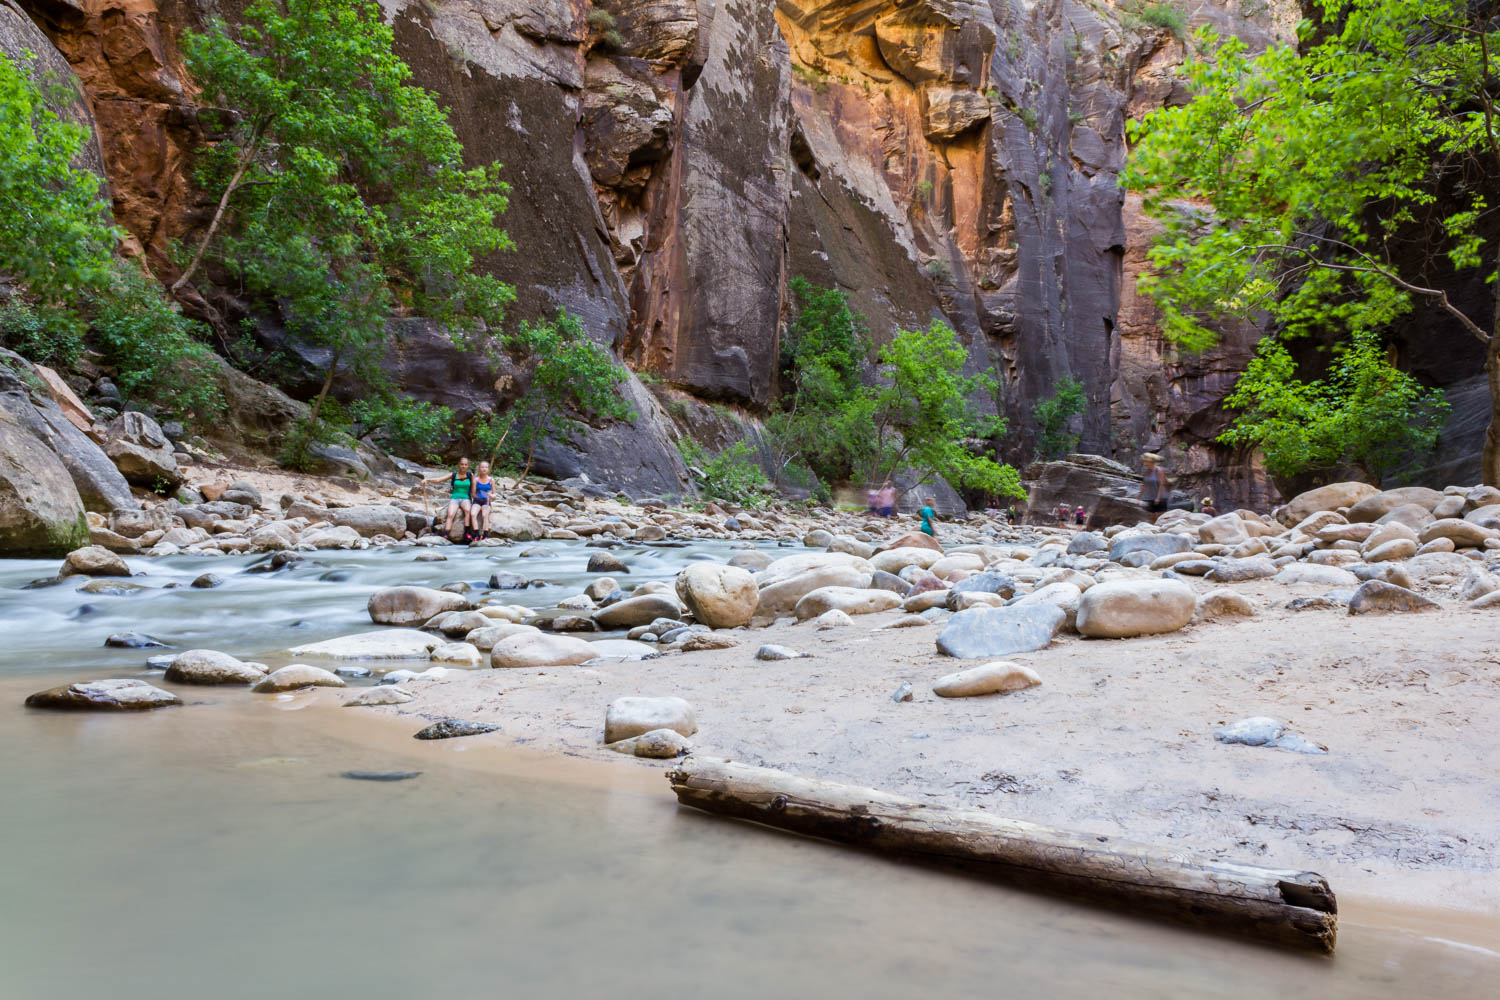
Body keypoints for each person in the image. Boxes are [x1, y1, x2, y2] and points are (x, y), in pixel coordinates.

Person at [424, 457, 474, 539]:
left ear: (468, 466)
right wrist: (427, 480)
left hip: (466, 498)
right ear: (459, 465)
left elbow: (473, 489)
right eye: (462, 464)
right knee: (450, 514)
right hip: (454, 498)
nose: (463, 466)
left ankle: (467, 534)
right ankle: (446, 534)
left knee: (468, 511)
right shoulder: (453, 475)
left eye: (465, 465)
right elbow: (439, 480)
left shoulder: (470, 475)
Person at [1139, 452, 1168, 519]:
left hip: (1160, 498)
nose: (1143, 462)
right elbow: (1144, 485)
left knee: (1159, 519)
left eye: (1145, 461)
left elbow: (1161, 484)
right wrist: (1139, 498)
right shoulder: (1146, 471)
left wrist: (1158, 498)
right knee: (1151, 518)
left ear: (1150, 461)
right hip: (1149, 498)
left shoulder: (1159, 470)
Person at [471, 461, 496, 538]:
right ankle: (476, 534)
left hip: (486, 501)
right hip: (477, 501)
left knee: (485, 515)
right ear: (479, 468)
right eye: (482, 467)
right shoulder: (475, 480)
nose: (484, 469)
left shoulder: (491, 480)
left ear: (488, 469)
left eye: (486, 467)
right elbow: (473, 494)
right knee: (473, 514)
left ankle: (485, 534)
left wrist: (491, 495)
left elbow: (494, 495)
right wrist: (477, 497)